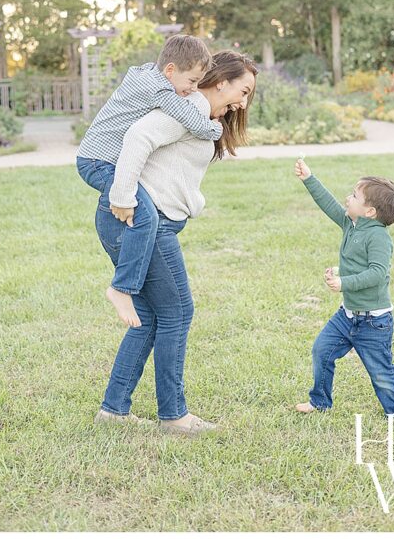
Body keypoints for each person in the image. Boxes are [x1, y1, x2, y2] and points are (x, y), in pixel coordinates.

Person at [90, 50, 258, 435]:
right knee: (178, 311)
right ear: (221, 81)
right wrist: (123, 194)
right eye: (242, 91)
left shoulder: (198, 114)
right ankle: (174, 415)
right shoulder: (190, 107)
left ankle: (113, 410)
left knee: (151, 317)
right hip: (140, 221)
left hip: (140, 221)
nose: (242, 103)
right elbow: (137, 137)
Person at [77, 35, 223, 329]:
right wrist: (214, 128)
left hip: (97, 158)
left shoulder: (147, 74)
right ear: (170, 70)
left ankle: (126, 285)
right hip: (98, 161)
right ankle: (121, 288)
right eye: (192, 82)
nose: (193, 90)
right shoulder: (159, 89)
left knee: (143, 214)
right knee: (143, 216)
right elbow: (190, 119)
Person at [292, 160, 394, 417]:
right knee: (322, 350)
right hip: (347, 315)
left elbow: (377, 273)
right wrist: (309, 178)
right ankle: (320, 401)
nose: (348, 197)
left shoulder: (378, 237)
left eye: (355, 196)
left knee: (380, 372)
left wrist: (344, 282)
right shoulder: (350, 224)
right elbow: (329, 205)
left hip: (374, 322)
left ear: (370, 212)